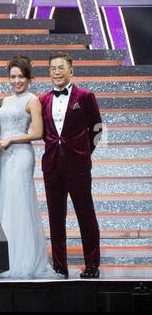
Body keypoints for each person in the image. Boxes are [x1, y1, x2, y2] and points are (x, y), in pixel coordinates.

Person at [0, 57, 59, 279]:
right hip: (3, 156)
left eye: (21, 76)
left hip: (21, 156)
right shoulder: (5, 101)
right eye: (13, 76)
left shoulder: (32, 100)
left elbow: (38, 133)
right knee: (5, 202)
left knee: (20, 204)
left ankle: (23, 260)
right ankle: (4, 258)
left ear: (29, 78)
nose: (16, 80)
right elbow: (1, 128)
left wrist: (12, 140)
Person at [40, 52, 103, 278]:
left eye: (60, 68)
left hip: (78, 166)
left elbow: (97, 128)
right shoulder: (43, 99)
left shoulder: (85, 96)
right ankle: (59, 267)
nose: (56, 72)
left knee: (86, 215)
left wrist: (84, 153)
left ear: (71, 71)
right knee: (56, 218)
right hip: (51, 166)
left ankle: (92, 265)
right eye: (53, 68)